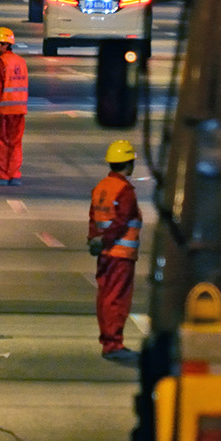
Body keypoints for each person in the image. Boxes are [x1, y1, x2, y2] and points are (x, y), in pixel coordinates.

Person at [87, 138, 143, 364]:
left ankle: (108, 340)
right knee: (117, 300)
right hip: (120, 255)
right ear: (129, 164)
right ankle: (113, 344)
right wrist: (106, 241)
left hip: (105, 255)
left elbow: (94, 218)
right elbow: (121, 222)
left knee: (104, 297)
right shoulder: (125, 190)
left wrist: (94, 241)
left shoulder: (101, 187)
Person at [0, 27, 28, 185]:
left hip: (4, 110)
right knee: (15, 142)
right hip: (19, 109)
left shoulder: (2, 61)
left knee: (1, 142)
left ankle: (3, 175)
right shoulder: (20, 61)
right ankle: (14, 174)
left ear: (5, 45)